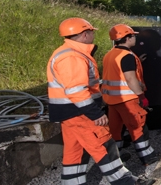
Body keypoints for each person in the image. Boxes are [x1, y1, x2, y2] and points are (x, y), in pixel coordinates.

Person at [46, 17, 145, 185]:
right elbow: (76, 90)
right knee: (104, 145)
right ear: (85, 34)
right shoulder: (72, 56)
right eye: (91, 32)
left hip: (71, 113)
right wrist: (94, 113)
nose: (93, 35)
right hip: (80, 112)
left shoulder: (68, 53)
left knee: (75, 152)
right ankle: (126, 181)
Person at [101, 24, 158, 169]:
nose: (135, 38)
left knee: (115, 130)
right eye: (133, 36)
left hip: (113, 101)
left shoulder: (110, 54)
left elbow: (117, 73)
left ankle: (116, 157)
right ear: (127, 38)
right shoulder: (127, 57)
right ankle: (147, 157)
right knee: (137, 127)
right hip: (128, 100)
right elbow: (130, 79)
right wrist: (141, 96)